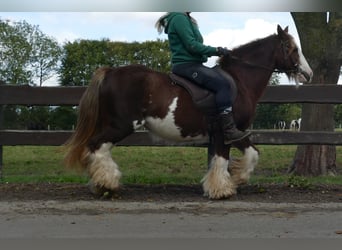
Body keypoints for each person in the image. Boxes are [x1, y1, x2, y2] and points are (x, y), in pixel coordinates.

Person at [155, 12, 250, 144]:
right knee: (222, 84)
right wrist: (216, 50)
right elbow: (192, 45)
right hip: (187, 65)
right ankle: (229, 130)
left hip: (194, 64)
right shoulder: (179, 18)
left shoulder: (187, 19)